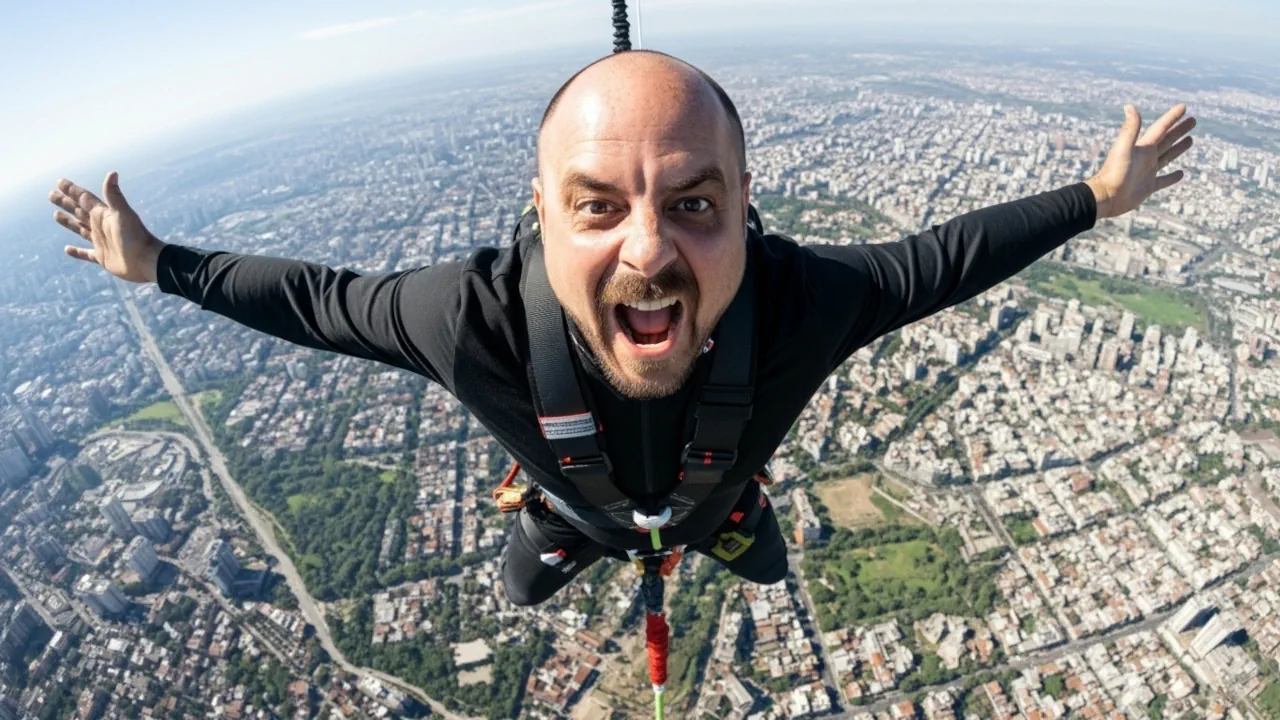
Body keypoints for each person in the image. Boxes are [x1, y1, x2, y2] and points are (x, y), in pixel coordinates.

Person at [49, 50, 1195, 606]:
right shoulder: (472, 318)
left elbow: (943, 260)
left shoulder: (799, 302)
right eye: (596, 206)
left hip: (712, 501)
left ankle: (728, 515)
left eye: (694, 202)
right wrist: (157, 265)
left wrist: (1095, 198)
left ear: (749, 210)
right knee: (515, 589)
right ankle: (612, 518)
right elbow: (313, 302)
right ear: (537, 217)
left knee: (760, 564)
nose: (646, 252)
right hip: (574, 515)